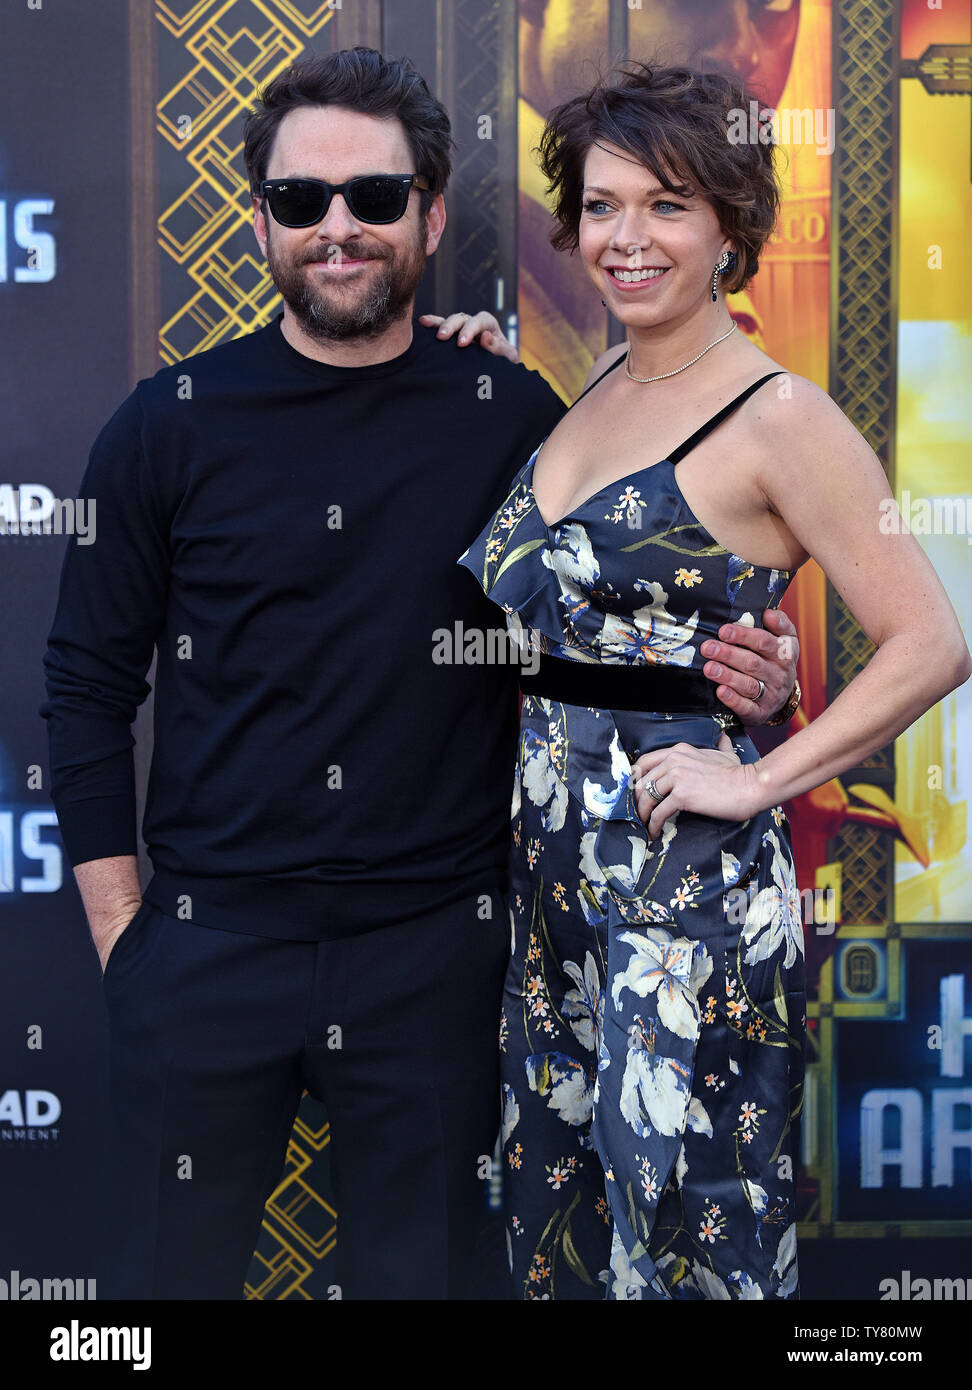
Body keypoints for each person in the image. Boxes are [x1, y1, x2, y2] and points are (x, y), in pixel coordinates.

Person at [40, 48, 800, 1301]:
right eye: (301, 201)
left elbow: (619, 618)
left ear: (431, 215)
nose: (338, 228)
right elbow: (83, 687)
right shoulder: (164, 425)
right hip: (206, 945)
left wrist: (749, 675)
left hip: (437, 957)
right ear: (261, 220)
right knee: (147, 1297)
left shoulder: (512, 417)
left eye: (375, 198)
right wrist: (126, 937)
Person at [457, 62, 971, 1300]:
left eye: (667, 204)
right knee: (567, 1223)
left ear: (731, 228)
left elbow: (931, 640)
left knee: (689, 1232)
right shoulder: (600, 386)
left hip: (679, 891)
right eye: (601, 205)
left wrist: (757, 782)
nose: (627, 238)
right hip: (550, 885)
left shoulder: (777, 416)